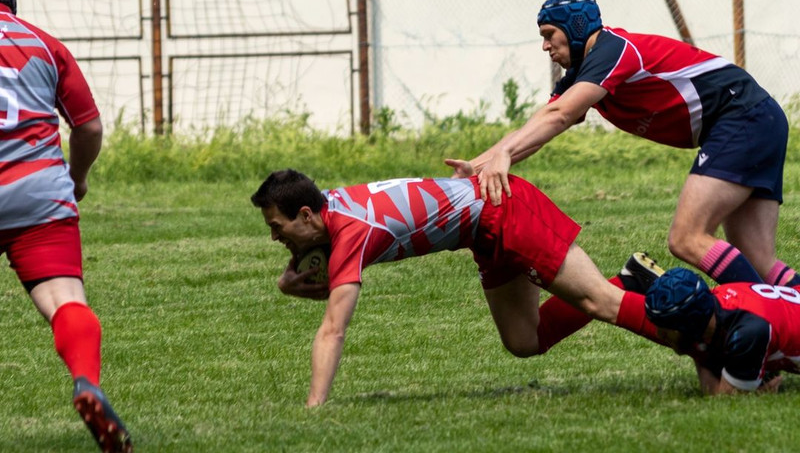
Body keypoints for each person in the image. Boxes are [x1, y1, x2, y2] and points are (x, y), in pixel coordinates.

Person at [446, 0, 799, 290]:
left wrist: (504, 153)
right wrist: (476, 167)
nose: (544, 46)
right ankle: (782, 325)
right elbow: (538, 127)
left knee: (687, 238)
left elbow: (561, 114)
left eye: (549, 34)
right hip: (757, 119)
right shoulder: (585, 70)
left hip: (742, 118)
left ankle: (765, 328)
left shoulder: (613, 50)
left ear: (576, 27)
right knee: (759, 262)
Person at [251, 168, 663, 407]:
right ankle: (631, 281)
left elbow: (333, 328)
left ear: (306, 214)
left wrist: (314, 408)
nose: (274, 237)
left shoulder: (351, 230)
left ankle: (701, 334)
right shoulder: (329, 207)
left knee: (597, 301)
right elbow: (321, 261)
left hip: (505, 208)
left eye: (276, 227)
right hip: (482, 230)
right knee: (523, 340)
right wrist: (290, 279)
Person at [0, 0, 132, 453]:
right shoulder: (44, 44)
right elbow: (90, 127)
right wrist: (76, 179)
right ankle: (86, 383)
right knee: (64, 302)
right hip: (40, 193)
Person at [644, 266, 800, 395]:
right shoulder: (714, 299)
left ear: (688, 327)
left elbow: (725, 402)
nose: (659, 335)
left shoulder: (747, 333)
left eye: (665, 331)